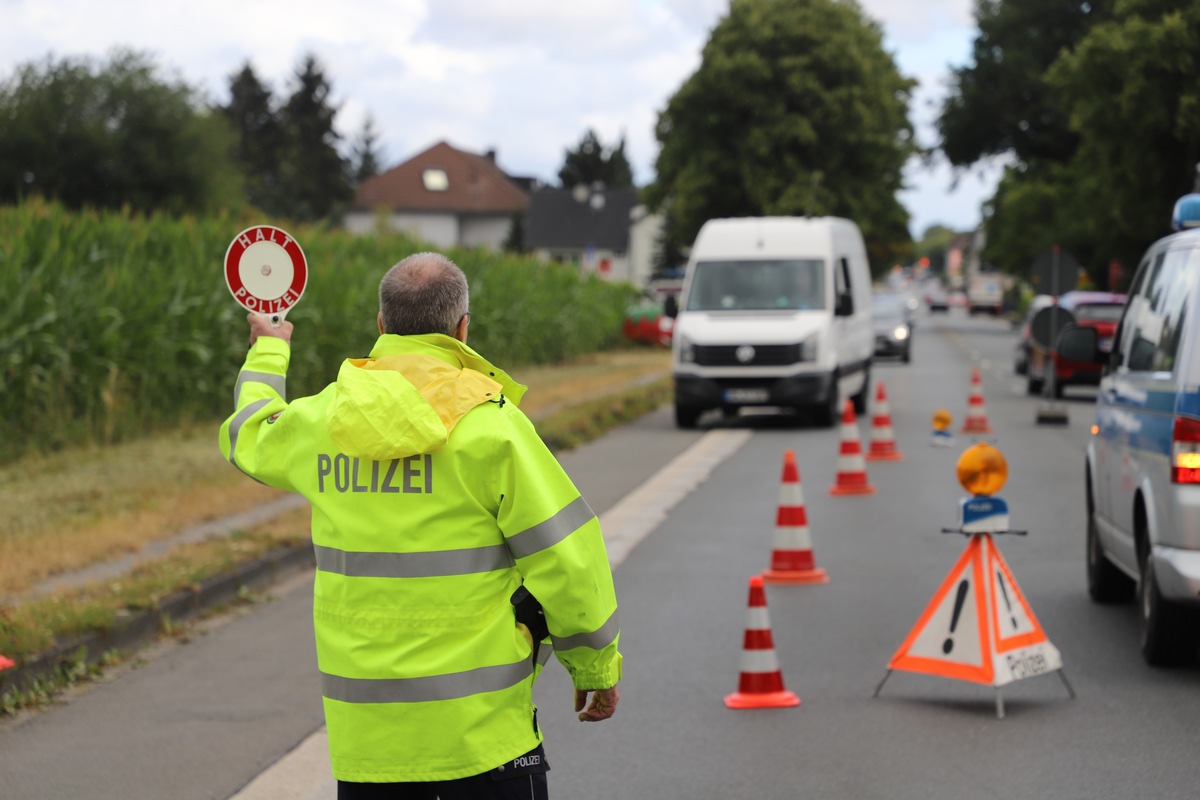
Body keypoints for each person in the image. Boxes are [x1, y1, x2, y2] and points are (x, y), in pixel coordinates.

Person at [219, 252, 622, 799]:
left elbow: (248, 433)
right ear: (461, 328)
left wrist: (270, 346)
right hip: (485, 744)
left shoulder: (324, 421)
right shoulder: (492, 428)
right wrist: (594, 670)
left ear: (382, 326)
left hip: (370, 756)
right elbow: (569, 559)